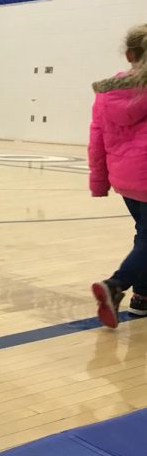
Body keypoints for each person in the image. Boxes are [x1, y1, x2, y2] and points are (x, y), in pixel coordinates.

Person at [89, 24, 147, 329]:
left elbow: (96, 138)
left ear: (129, 54)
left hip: (126, 180)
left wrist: (99, 181)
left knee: (145, 235)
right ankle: (116, 285)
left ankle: (142, 297)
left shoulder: (108, 91)